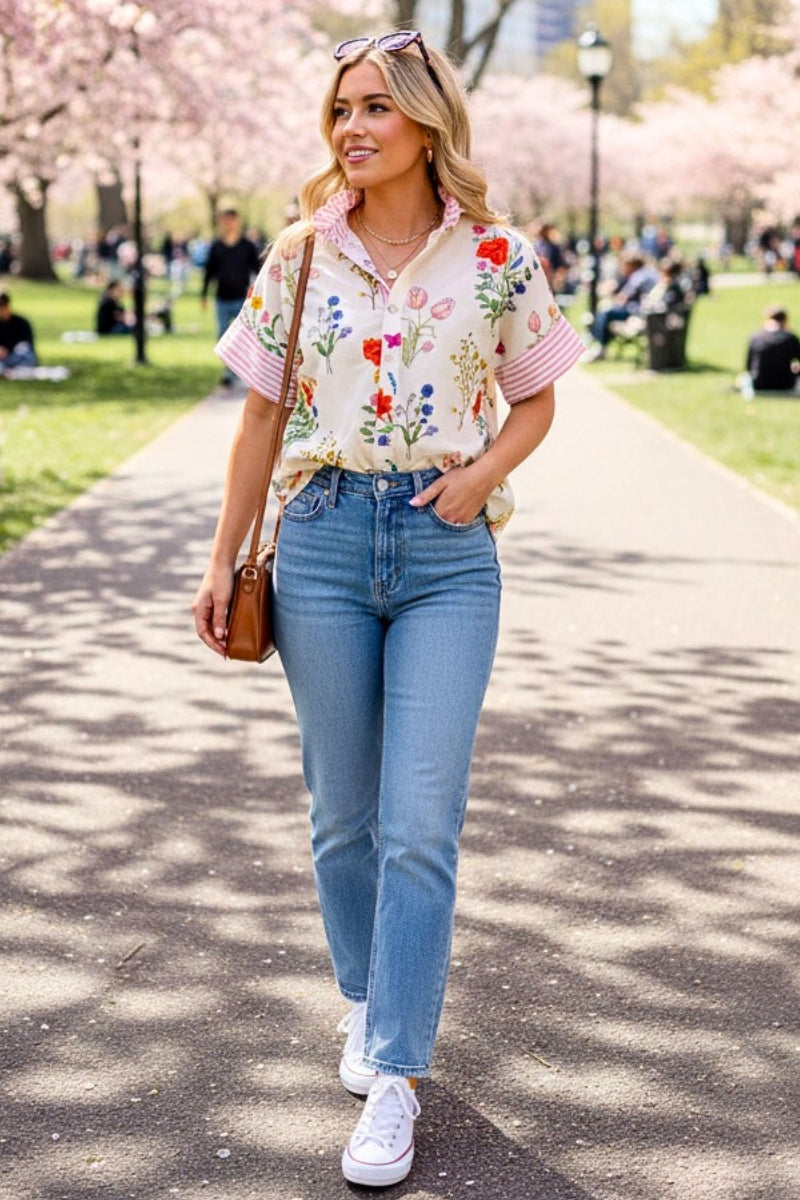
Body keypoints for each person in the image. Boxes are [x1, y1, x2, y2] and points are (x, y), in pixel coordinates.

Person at [192, 29, 584, 1189]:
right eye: (339, 109)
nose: (351, 128)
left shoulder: (500, 255)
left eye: (373, 108)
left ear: (424, 121)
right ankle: (364, 1002)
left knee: (419, 821)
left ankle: (398, 1078)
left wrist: (475, 477)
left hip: (445, 553)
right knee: (341, 813)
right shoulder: (299, 253)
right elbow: (259, 421)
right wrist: (221, 564)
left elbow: (536, 399)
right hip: (314, 545)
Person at [201, 208, 260, 387]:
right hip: (222, 298)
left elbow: (258, 271)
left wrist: (259, 293)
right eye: (225, 220)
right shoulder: (216, 247)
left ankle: (249, 371)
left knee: (246, 336)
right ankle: (228, 373)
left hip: (242, 299)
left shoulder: (247, 246)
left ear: (237, 221)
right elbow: (209, 272)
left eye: (232, 220)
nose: (229, 224)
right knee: (223, 335)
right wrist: (203, 295)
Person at [586, 252, 657, 359]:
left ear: (631, 265)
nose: (622, 269)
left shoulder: (638, 276)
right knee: (605, 312)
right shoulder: (648, 273)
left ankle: (600, 345)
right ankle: (598, 342)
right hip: (645, 311)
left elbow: (624, 297)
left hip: (638, 312)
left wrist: (612, 301)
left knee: (605, 312)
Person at [743, 305, 800, 393]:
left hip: (759, 384)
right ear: (785, 321)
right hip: (785, 384)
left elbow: (748, 366)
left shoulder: (756, 337)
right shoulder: (791, 338)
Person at [0, 292, 37, 372]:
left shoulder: (21, 323)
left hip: (17, 355)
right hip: (3, 358)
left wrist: (8, 349)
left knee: (24, 352)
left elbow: (26, 344)